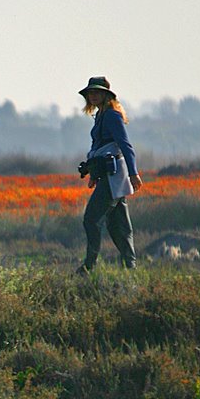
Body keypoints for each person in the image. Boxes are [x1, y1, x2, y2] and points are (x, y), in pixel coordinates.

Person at [77, 76, 142, 274]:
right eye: (90, 92)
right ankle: (130, 269)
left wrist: (133, 173)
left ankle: (89, 266)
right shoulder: (100, 116)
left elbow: (125, 146)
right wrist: (93, 174)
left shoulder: (112, 116)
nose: (92, 95)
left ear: (106, 95)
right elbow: (99, 147)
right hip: (107, 177)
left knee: (91, 219)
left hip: (114, 178)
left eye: (97, 92)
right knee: (118, 226)